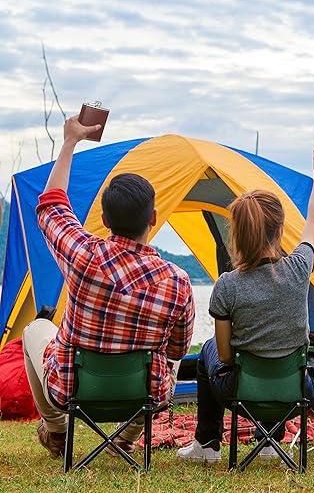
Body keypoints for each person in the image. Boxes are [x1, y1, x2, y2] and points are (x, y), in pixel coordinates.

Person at [23, 116, 195, 459]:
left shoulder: (82, 255)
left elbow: (51, 205)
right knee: (170, 356)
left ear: (104, 221)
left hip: (73, 390)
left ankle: (57, 429)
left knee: (34, 329)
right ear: (153, 218)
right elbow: (177, 350)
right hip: (144, 395)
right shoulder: (177, 281)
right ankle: (127, 437)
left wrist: (70, 141)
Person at [177, 141, 314, 463]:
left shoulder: (227, 285)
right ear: (280, 231)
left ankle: (207, 444)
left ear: (236, 234)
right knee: (272, 356)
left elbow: (225, 355)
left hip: (241, 392)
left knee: (209, 349)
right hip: (298, 391)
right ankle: (269, 441)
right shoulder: (299, 268)